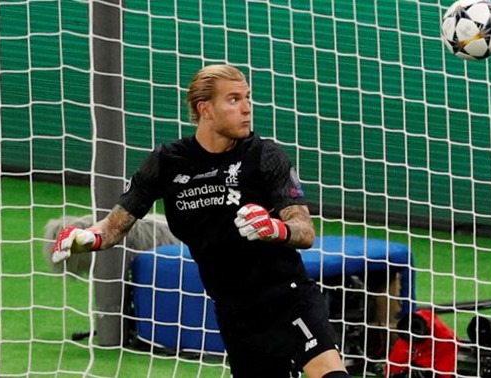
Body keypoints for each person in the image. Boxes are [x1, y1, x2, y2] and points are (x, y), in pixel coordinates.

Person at [51, 64, 350, 378]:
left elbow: (304, 231)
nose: (247, 108)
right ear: (204, 108)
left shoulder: (265, 155)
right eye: (234, 99)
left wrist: (275, 228)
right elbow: (114, 227)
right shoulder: (166, 163)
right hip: (234, 312)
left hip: (288, 298)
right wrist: (87, 238)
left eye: (247, 97)